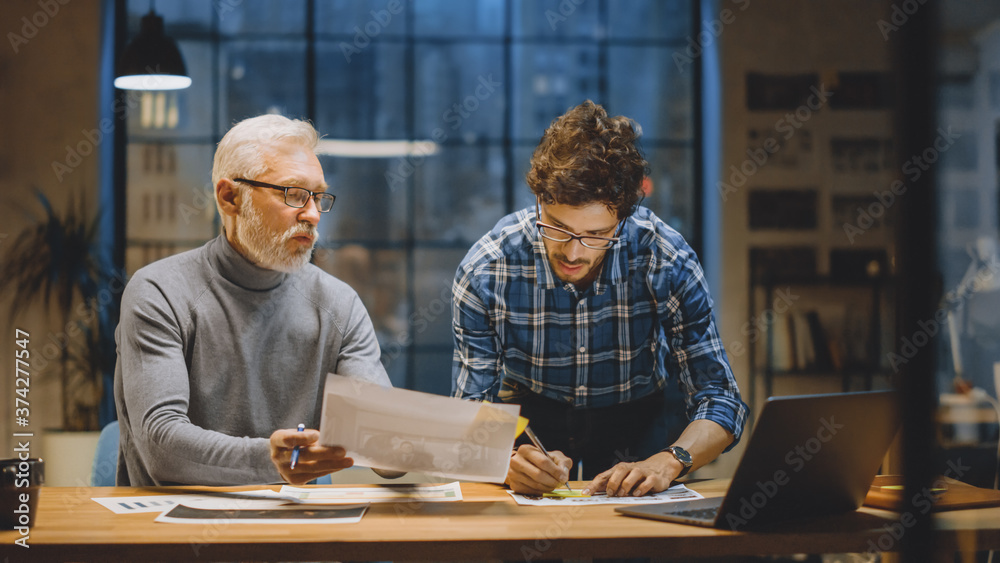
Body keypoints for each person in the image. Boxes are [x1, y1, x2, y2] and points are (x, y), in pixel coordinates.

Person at [451, 100, 748, 497]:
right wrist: (502, 463)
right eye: (557, 228)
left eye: (595, 234)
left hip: (637, 422)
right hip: (531, 422)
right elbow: (469, 413)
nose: (573, 253)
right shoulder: (487, 269)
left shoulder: (665, 258)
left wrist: (671, 459)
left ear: (622, 219)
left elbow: (721, 399)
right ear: (539, 200)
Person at [114, 114, 397, 486]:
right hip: (174, 531)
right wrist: (269, 459)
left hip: (296, 529)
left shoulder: (338, 304)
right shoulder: (160, 292)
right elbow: (162, 448)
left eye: (318, 197)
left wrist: (400, 448)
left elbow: (384, 440)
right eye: (293, 194)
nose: (312, 214)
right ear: (230, 198)